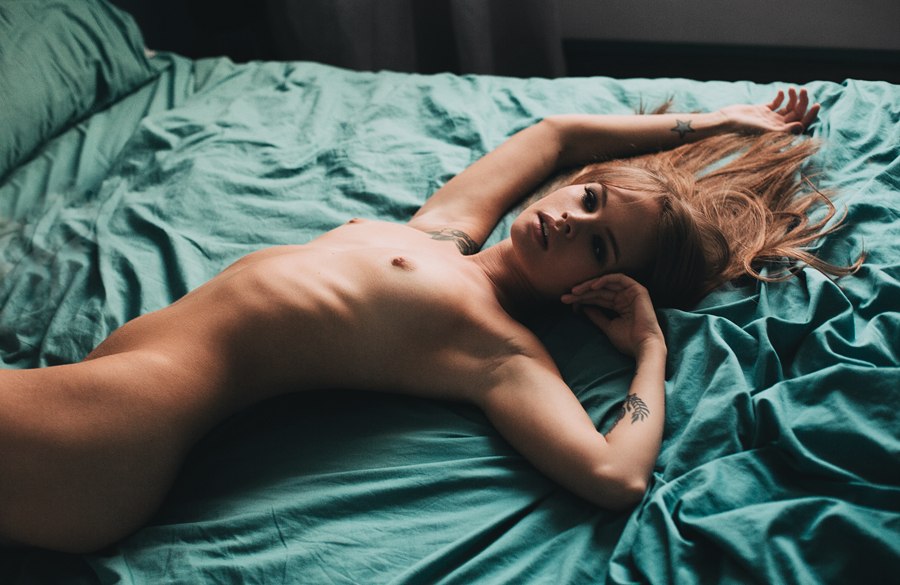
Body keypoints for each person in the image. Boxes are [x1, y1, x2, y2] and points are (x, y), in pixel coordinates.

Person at [0, 88, 853, 553]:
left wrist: (649, 348)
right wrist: (718, 120)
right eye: (589, 200)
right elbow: (555, 134)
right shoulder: (442, 231)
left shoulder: (495, 346)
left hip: (108, 436)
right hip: (88, 396)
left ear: (603, 285)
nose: (569, 220)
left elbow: (615, 475)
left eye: (597, 246)